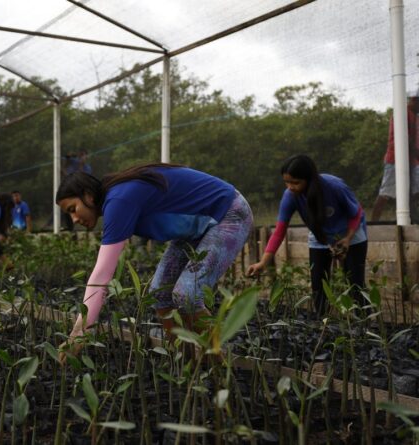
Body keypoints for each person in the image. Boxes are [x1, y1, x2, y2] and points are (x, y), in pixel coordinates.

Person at [55, 164, 253, 356]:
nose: (74, 219)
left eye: (73, 208)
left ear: (88, 196)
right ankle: (186, 364)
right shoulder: (116, 199)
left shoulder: (119, 200)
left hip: (229, 212)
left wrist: (79, 333)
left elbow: (101, 275)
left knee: (187, 294)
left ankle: (218, 370)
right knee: (159, 293)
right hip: (195, 230)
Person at [247, 154, 367, 315]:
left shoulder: (334, 186)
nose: (290, 186)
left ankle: (363, 324)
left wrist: (347, 239)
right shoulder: (290, 196)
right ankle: (322, 321)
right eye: (286, 182)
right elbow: (279, 231)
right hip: (320, 236)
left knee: (354, 283)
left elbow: (356, 213)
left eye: (295, 182)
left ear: (310, 179)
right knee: (318, 284)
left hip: (351, 234)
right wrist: (263, 263)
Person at [371, 96, 419, 223]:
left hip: (412, 161)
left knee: (416, 188)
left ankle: (412, 216)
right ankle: (373, 224)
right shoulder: (401, 113)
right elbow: (405, 138)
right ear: (414, 101)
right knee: (386, 192)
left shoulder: (415, 116)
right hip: (395, 159)